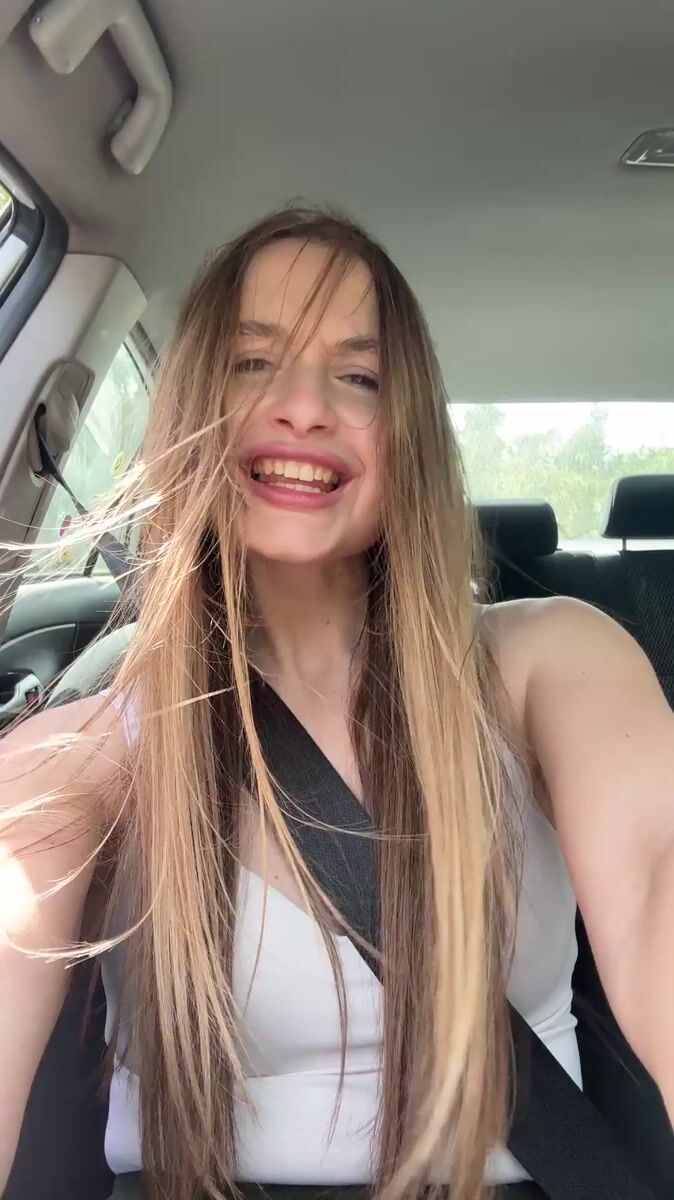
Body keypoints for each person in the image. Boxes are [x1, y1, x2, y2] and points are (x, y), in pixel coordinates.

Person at [0, 207, 672, 1200]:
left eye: (359, 377)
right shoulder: (87, 752)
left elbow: (659, 884)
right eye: (251, 363)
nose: (305, 407)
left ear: (408, 434)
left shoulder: (551, 662)